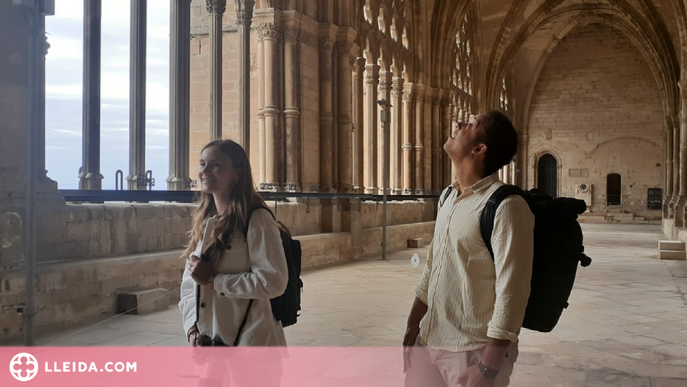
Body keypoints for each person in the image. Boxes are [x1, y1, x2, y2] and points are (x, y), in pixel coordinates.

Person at [403, 111, 535, 387]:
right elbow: (433, 266)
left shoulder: (507, 206)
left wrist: (488, 367)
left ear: (479, 148)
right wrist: (414, 323)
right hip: (429, 343)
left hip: (473, 352)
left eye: (471, 124)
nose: (460, 123)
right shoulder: (448, 197)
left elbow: (512, 292)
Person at [178, 139, 287, 385]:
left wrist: (214, 280)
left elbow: (273, 281)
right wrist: (192, 329)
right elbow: (188, 288)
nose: (204, 172)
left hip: (251, 347)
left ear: (237, 173)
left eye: (215, 165)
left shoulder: (256, 218)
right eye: (202, 164)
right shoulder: (206, 221)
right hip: (212, 348)